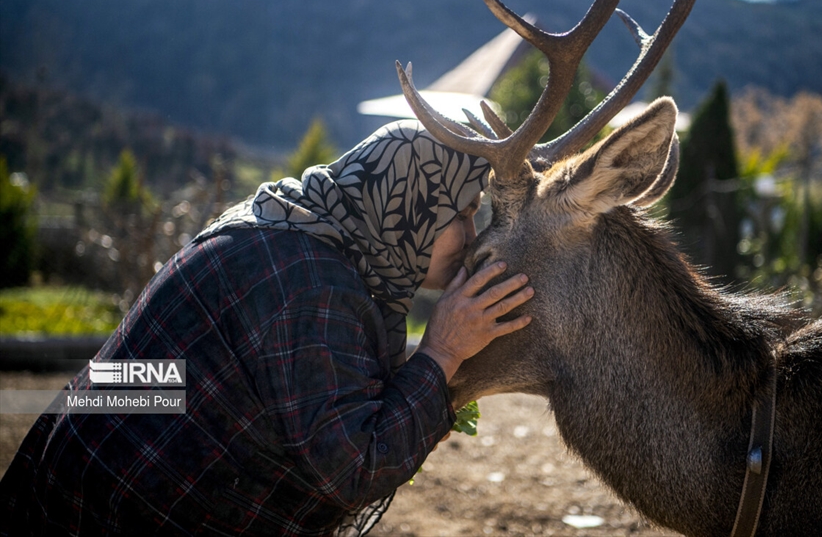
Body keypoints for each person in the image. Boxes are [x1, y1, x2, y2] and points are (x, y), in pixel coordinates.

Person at [0, 120, 534, 536]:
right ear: (409, 206)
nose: (471, 235)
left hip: (86, 482)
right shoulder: (311, 282)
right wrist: (441, 352)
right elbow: (352, 468)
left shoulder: (290, 224)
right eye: (460, 215)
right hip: (119, 510)